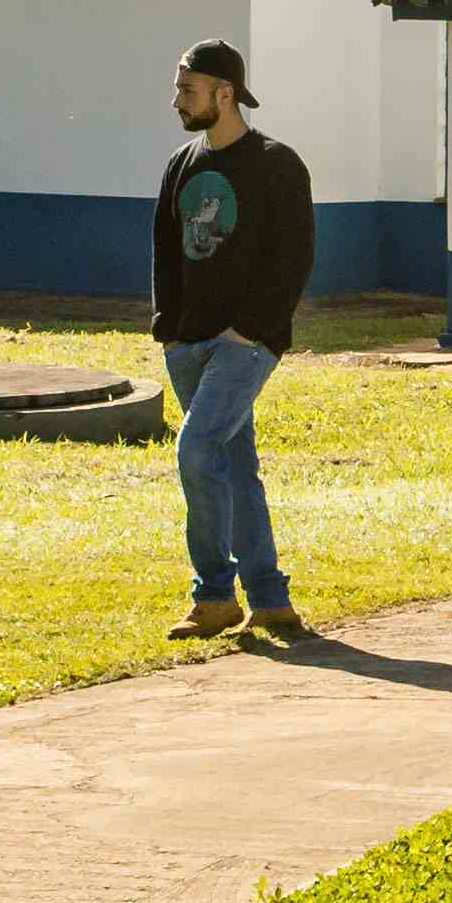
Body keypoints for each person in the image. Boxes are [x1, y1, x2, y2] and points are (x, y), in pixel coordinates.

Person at [149, 38, 316, 645]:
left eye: (187, 89)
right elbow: (165, 250)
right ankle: (270, 602)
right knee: (234, 466)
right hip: (187, 343)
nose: (176, 100)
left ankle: (213, 592)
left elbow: (295, 258)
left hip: (246, 344)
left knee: (195, 451)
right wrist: (168, 331)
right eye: (178, 87)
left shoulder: (277, 163)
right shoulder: (181, 164)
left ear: (225, 94)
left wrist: (250, 329)